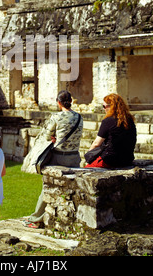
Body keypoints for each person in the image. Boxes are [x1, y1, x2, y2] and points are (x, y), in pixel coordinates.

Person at [24, 90, 83, 228]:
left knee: (48, 187)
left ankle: (37, 217)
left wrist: (54, 138)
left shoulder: (56, 117)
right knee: (73, 189)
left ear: (58, 102)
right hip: (74, 157)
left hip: (59, 156)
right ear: (71, 101)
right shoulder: (79, 117)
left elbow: (46, 136)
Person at [85, 93, 137, 169]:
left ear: (111, 106)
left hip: (110, 160)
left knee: (86, 169)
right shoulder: (130, 120)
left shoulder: (107, 121)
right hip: (127, 159)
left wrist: (89, 154)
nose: (103, 109)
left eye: (104, 106)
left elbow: (96, 143)